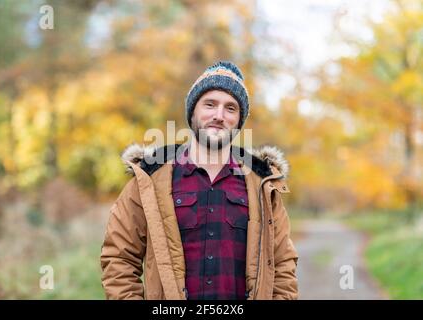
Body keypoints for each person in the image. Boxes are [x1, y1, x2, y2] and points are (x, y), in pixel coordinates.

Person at [100, 61, 298, 300]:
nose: (219, 116)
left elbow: (283, 264)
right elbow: (119, 259)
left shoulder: (262, 185)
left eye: (231, 108)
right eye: (210, 104)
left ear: (239, 120)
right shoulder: (149, 180)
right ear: (193, 112)